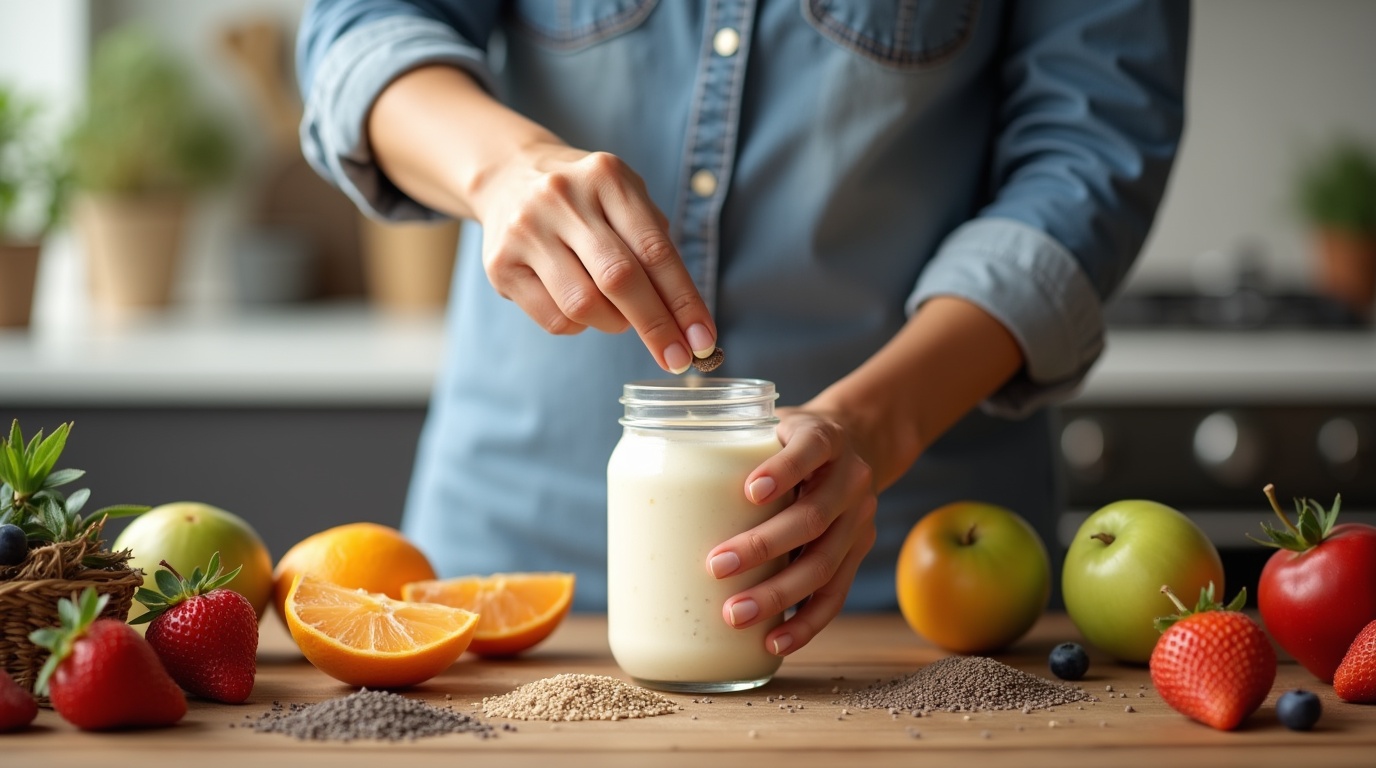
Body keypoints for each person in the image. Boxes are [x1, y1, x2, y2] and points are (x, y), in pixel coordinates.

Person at [297, 0, 1189, 657]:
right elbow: (359, 27)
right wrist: (500, 168)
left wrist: (873, 427)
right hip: (506, 565)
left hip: (901, 580)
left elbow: (1091, 153)